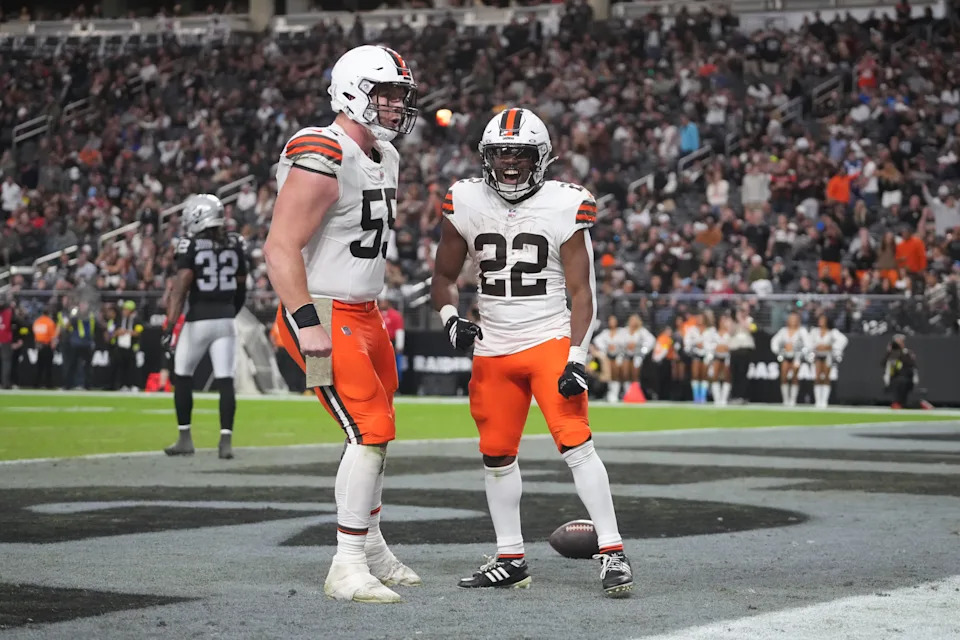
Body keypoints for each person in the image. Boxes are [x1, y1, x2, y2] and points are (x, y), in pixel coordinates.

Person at [430, 107, 633, 598]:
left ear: (540, 156)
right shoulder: (465, 199)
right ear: (486, 156)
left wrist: (577, 356)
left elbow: (582, 293)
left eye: (519, 153)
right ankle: (510, 556)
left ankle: (612, 551)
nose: (510, 163)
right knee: (496, 456)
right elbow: (442, 278)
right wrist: (450, 318)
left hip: (547, 339)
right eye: (500, 153)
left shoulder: (566, 203)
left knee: (576, 444)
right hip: (493, 346)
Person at [263, 45, 421, 604]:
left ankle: (371, 544)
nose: (397, 106)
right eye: (387, 94)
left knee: (380, 431)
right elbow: (280, 249)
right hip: (324, 310)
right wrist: (306, 324)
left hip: (366, 311)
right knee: (369, 429)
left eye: (401, 96)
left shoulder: (385, 156)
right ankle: (347, 561)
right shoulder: (321, 148)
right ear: (353, 91)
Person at [161, 193, 248, 460]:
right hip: (226, 319)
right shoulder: (235, 243)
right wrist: (231, 311)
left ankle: (185, 438)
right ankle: (225, 442)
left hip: (199, 319)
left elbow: (181, 287)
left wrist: (170, 325)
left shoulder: (190, 245)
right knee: (225, 380)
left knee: (183, 374)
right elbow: (242, 284)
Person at [806, 314, 848, 408]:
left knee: (826, 378)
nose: (821, 321)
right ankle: (818, 400)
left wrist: (831, 347)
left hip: (827, 356)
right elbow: (808, 342)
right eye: (820, 319)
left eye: (823, 320)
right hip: (817, 355)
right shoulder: (814, 331)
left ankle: (824, 401)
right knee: (817, 377)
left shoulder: (832, 332)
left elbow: (843, 340)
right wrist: (815, 346)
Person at [770, 311, 807, 407]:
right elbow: (774, 342)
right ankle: (785, 400)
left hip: (796, 356)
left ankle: (793, 400)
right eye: (791, 319)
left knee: (795, 377)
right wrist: (780, 350)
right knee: (783, 376)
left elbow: (808, 344)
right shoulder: (783, 331)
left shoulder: (802, 331)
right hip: (785, 356)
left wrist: (798, 350)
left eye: (795, 319)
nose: (793, 321)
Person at [590, 314, 626, 402]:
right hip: (607, 357)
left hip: (620, 356)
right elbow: (597, 342)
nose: (612, 322)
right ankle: (609, 393)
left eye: (613, 320)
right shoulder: (605, 333)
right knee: (607, 373)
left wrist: (617, 347)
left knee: (617, 372)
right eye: (610, 320)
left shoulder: (621, 332)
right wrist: (607, 347)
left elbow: (626, 343)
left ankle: (617, 393)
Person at [704, 314, 734, 406]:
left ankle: (724, 399)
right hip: (716, 357)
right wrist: (716, 347)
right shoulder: (712, 332)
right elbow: (707, 343)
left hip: (727, 357)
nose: (723, 323)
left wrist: (727, 347)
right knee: (715, 376)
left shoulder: (730, 332)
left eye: (725, 320)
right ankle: (717, 399)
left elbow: (732, 344)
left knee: (727, 377)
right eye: (722, 320)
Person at [622, 313, 655, 393]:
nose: (632, 322)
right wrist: (626, 346)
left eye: (634, 320)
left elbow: (651, 341)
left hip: (638, 355)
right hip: (625, 355)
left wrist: (642, 350)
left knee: (635, 373)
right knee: (625, 373)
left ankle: (635, 392)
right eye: (631, 320)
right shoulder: (624, 331)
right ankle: (627, 392)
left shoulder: (642, 331)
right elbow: (618, 342)